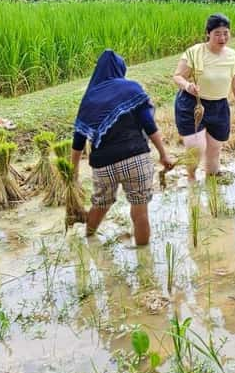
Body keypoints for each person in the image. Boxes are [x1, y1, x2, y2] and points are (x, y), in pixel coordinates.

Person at [72, 50, 175, 244]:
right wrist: (164, 154)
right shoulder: (131, 89)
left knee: (100, 204)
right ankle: (144, 260)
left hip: (103, 166)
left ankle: (89, 241)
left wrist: (74, 171)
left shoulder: (89, 99)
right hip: (136, 158)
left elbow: (78, 139)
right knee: (140, 210)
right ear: (121, 69)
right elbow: (149, 125)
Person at [172, 14, 235, 181]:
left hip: (219, 106)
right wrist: (188, 86)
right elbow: (177, 76)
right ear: (208, 33)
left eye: (226, 33)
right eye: (217, 33)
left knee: (214, 150)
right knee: (196, 148)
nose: (222, 38)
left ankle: (212, 183)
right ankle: (191, 181)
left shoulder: (232, 55)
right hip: (193, 104)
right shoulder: (195, 52)